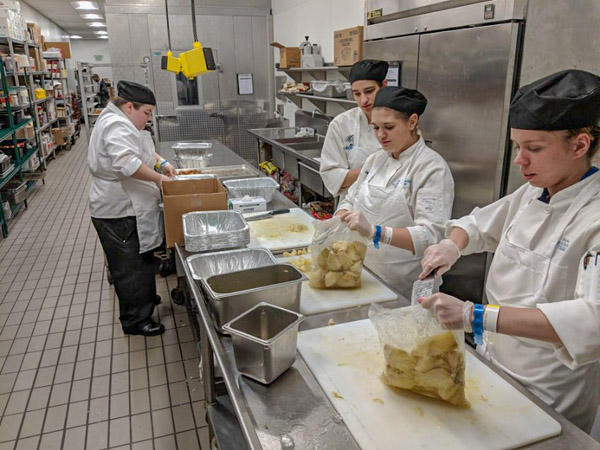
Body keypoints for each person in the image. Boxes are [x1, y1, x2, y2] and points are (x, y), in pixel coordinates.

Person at [418, 69, 600, 432]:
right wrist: (448, 247)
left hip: (548, 399)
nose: (520, 161)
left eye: (533, 148)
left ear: (580, 145)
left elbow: (592, 320)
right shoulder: (533, 192)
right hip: (493, 369)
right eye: (517, 147)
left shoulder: (594, 216)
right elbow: (476, 225)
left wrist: (475, 316)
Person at [337, 86, 455, 299]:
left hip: (405, 287)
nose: (380, 136)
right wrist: (339, 218)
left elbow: (431, 236)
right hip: (364, 277)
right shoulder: (375, 160)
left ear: (412, 121)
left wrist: (375, 231)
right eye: (375, 128)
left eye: (389, 127)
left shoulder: (431, 168)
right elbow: (350, 198)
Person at [88, 80, 176, 336]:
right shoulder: (115, 125)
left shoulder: (122, 121)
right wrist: (161, 180)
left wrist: (162, 162)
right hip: (118, 209)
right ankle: (136, 320)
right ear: (129, 106)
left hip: (130, 206)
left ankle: (145, 300)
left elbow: (141, 151)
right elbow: (127, 164)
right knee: (129, 267)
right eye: (146, 113)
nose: (148, 119)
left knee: (141, 259)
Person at [320, 60, 388, 201]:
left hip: (391, 211)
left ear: (384, 86)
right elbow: (330, 176)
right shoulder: (341, 124)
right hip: (351, 208)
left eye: (369, 91)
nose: (363, 100)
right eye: (357, 94)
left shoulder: (401, 122)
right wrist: (374, 168)